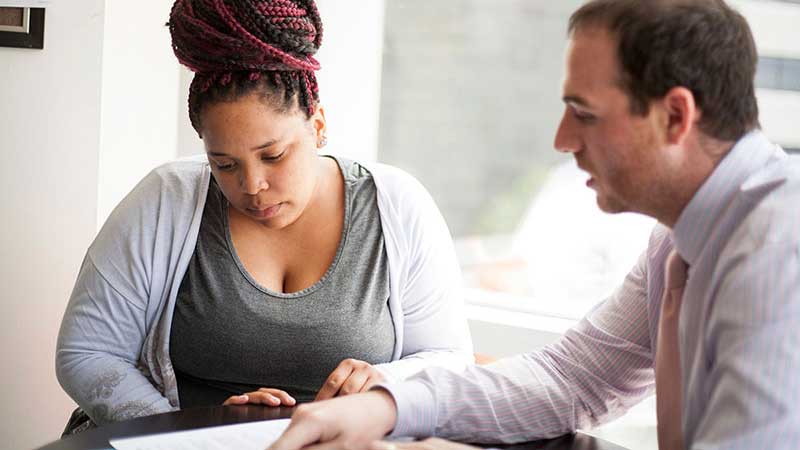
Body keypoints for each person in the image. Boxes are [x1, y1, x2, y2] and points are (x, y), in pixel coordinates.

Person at [268, 1, 800, 449]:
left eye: (584, 114)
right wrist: (385, 407)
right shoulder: (678, 241)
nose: (562, 140)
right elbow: (573, 378)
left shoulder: (778, 251)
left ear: (676, 117)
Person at [55, 0, 473, 435]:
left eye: (273, 156)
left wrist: (385, 383)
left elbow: (450, 360)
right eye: (225, 164)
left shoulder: (397, 205)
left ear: (318, 125)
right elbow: (86, 353)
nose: (251, 186)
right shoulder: (167, 199)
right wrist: (193, 431)